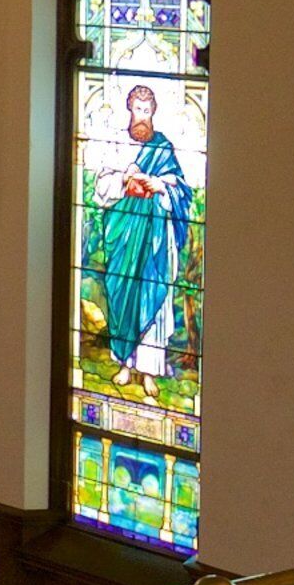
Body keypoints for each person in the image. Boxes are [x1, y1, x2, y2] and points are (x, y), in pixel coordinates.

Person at [88, 84, 197, 384]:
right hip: (123, 236)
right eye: (137, 109)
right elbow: (101, 187)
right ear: (129, 109)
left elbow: (180, 188)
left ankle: (149, 370)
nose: (142, 117)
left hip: (154, 241)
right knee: (123, 294)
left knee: (152, 295)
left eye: (147, 111)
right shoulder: (117, 145)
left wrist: (160, 185)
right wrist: (124, 178)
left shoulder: (163, 147)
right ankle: (125, 364)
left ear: (154, 113)